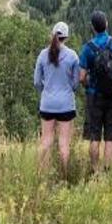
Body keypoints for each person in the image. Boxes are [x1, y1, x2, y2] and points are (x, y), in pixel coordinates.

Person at [77, 9, 112, 169]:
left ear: (93, 27)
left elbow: (81, 77)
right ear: (106, 24)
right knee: (110, 138)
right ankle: (108, 171)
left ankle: (95, 171)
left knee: (94, 136)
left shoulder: (87, 48)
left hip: (94, 97)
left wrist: (89, 86)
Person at [32, 20, 82, 172]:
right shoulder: (72, 56)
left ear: (52, 34)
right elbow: (76, 83)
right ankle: (64, 174)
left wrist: (46, 91)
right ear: (66, 37)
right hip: (66, 105)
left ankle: (42, 173)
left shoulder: (42, 55)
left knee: (46, 141)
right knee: (64, 143)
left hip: (47, 104)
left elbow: (36, 82)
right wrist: (67, 90)